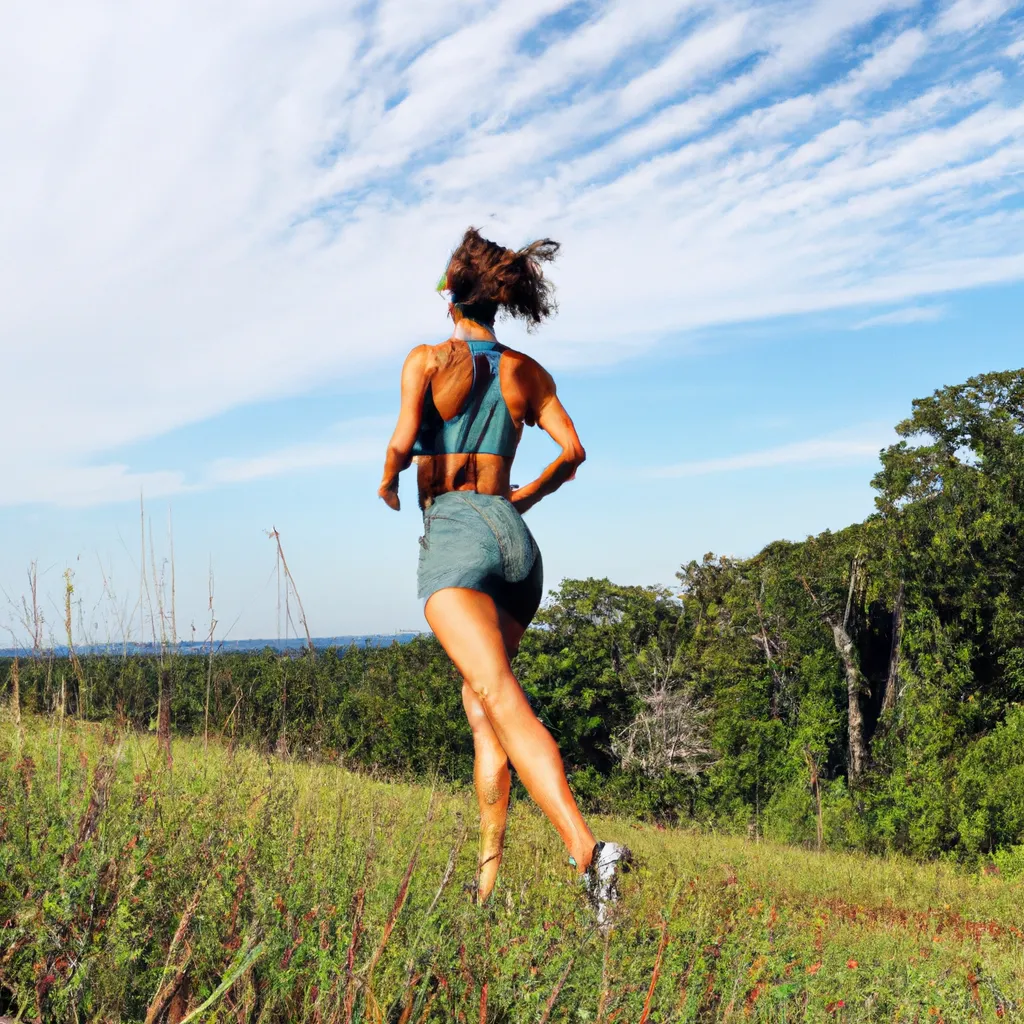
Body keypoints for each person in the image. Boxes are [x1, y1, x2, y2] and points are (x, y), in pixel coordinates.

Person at [378, 227, 631, 927]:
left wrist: (387, 479)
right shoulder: (527, 371)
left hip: (457, 537)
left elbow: (403, 441)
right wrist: (522, 498)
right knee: (484, 712)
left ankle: (588, 853)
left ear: (452, 297)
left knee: (498, 696)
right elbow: (573, 451)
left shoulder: (427, 360)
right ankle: (484, 889)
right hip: (517, 548)